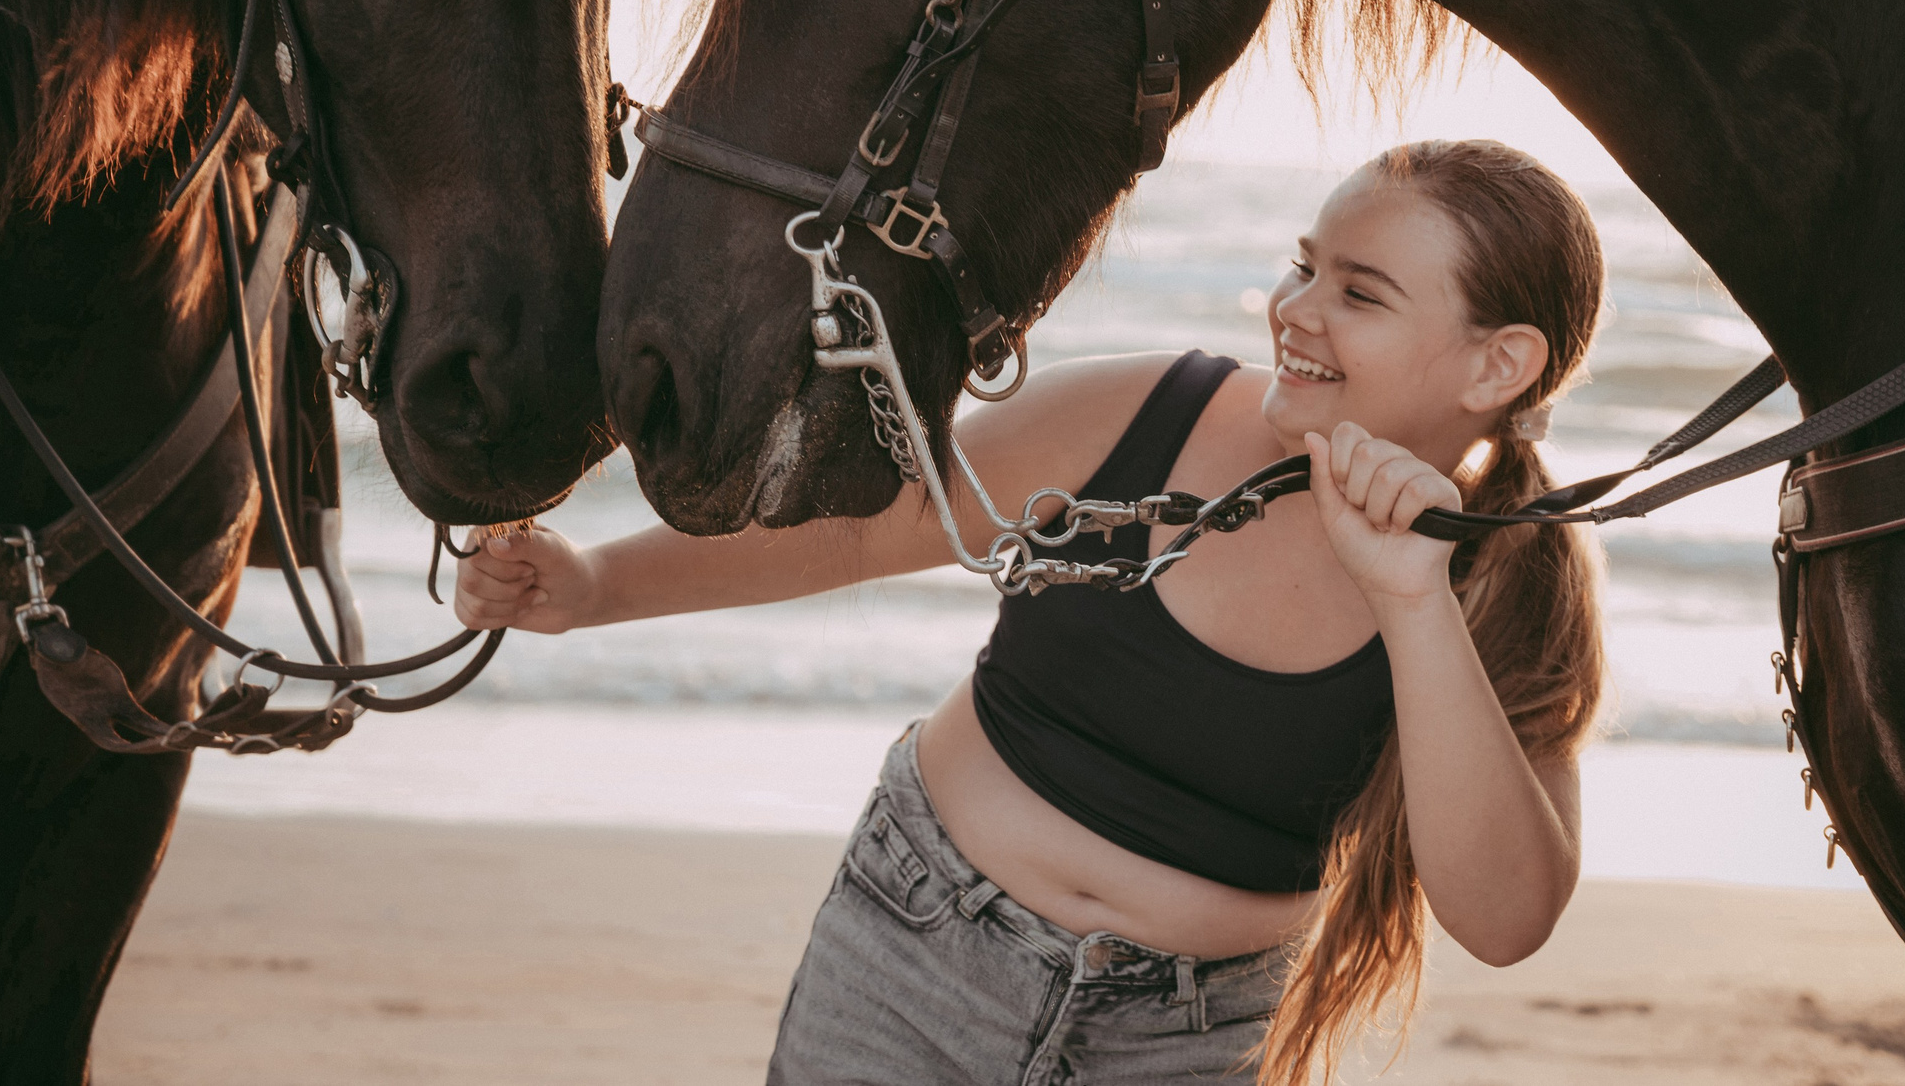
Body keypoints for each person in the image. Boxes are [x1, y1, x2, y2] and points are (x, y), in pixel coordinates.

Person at [456, 138, 1608, 1085]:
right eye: (1303, 267)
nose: (1293, 310)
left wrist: (1412, 598)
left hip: (1187, 1043)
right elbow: (866, 524)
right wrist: (596, 586)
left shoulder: (1510, 583)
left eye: (1358, 293)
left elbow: (1505, 919)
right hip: (913, 955)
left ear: (1495, 365)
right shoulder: (1145, 411)